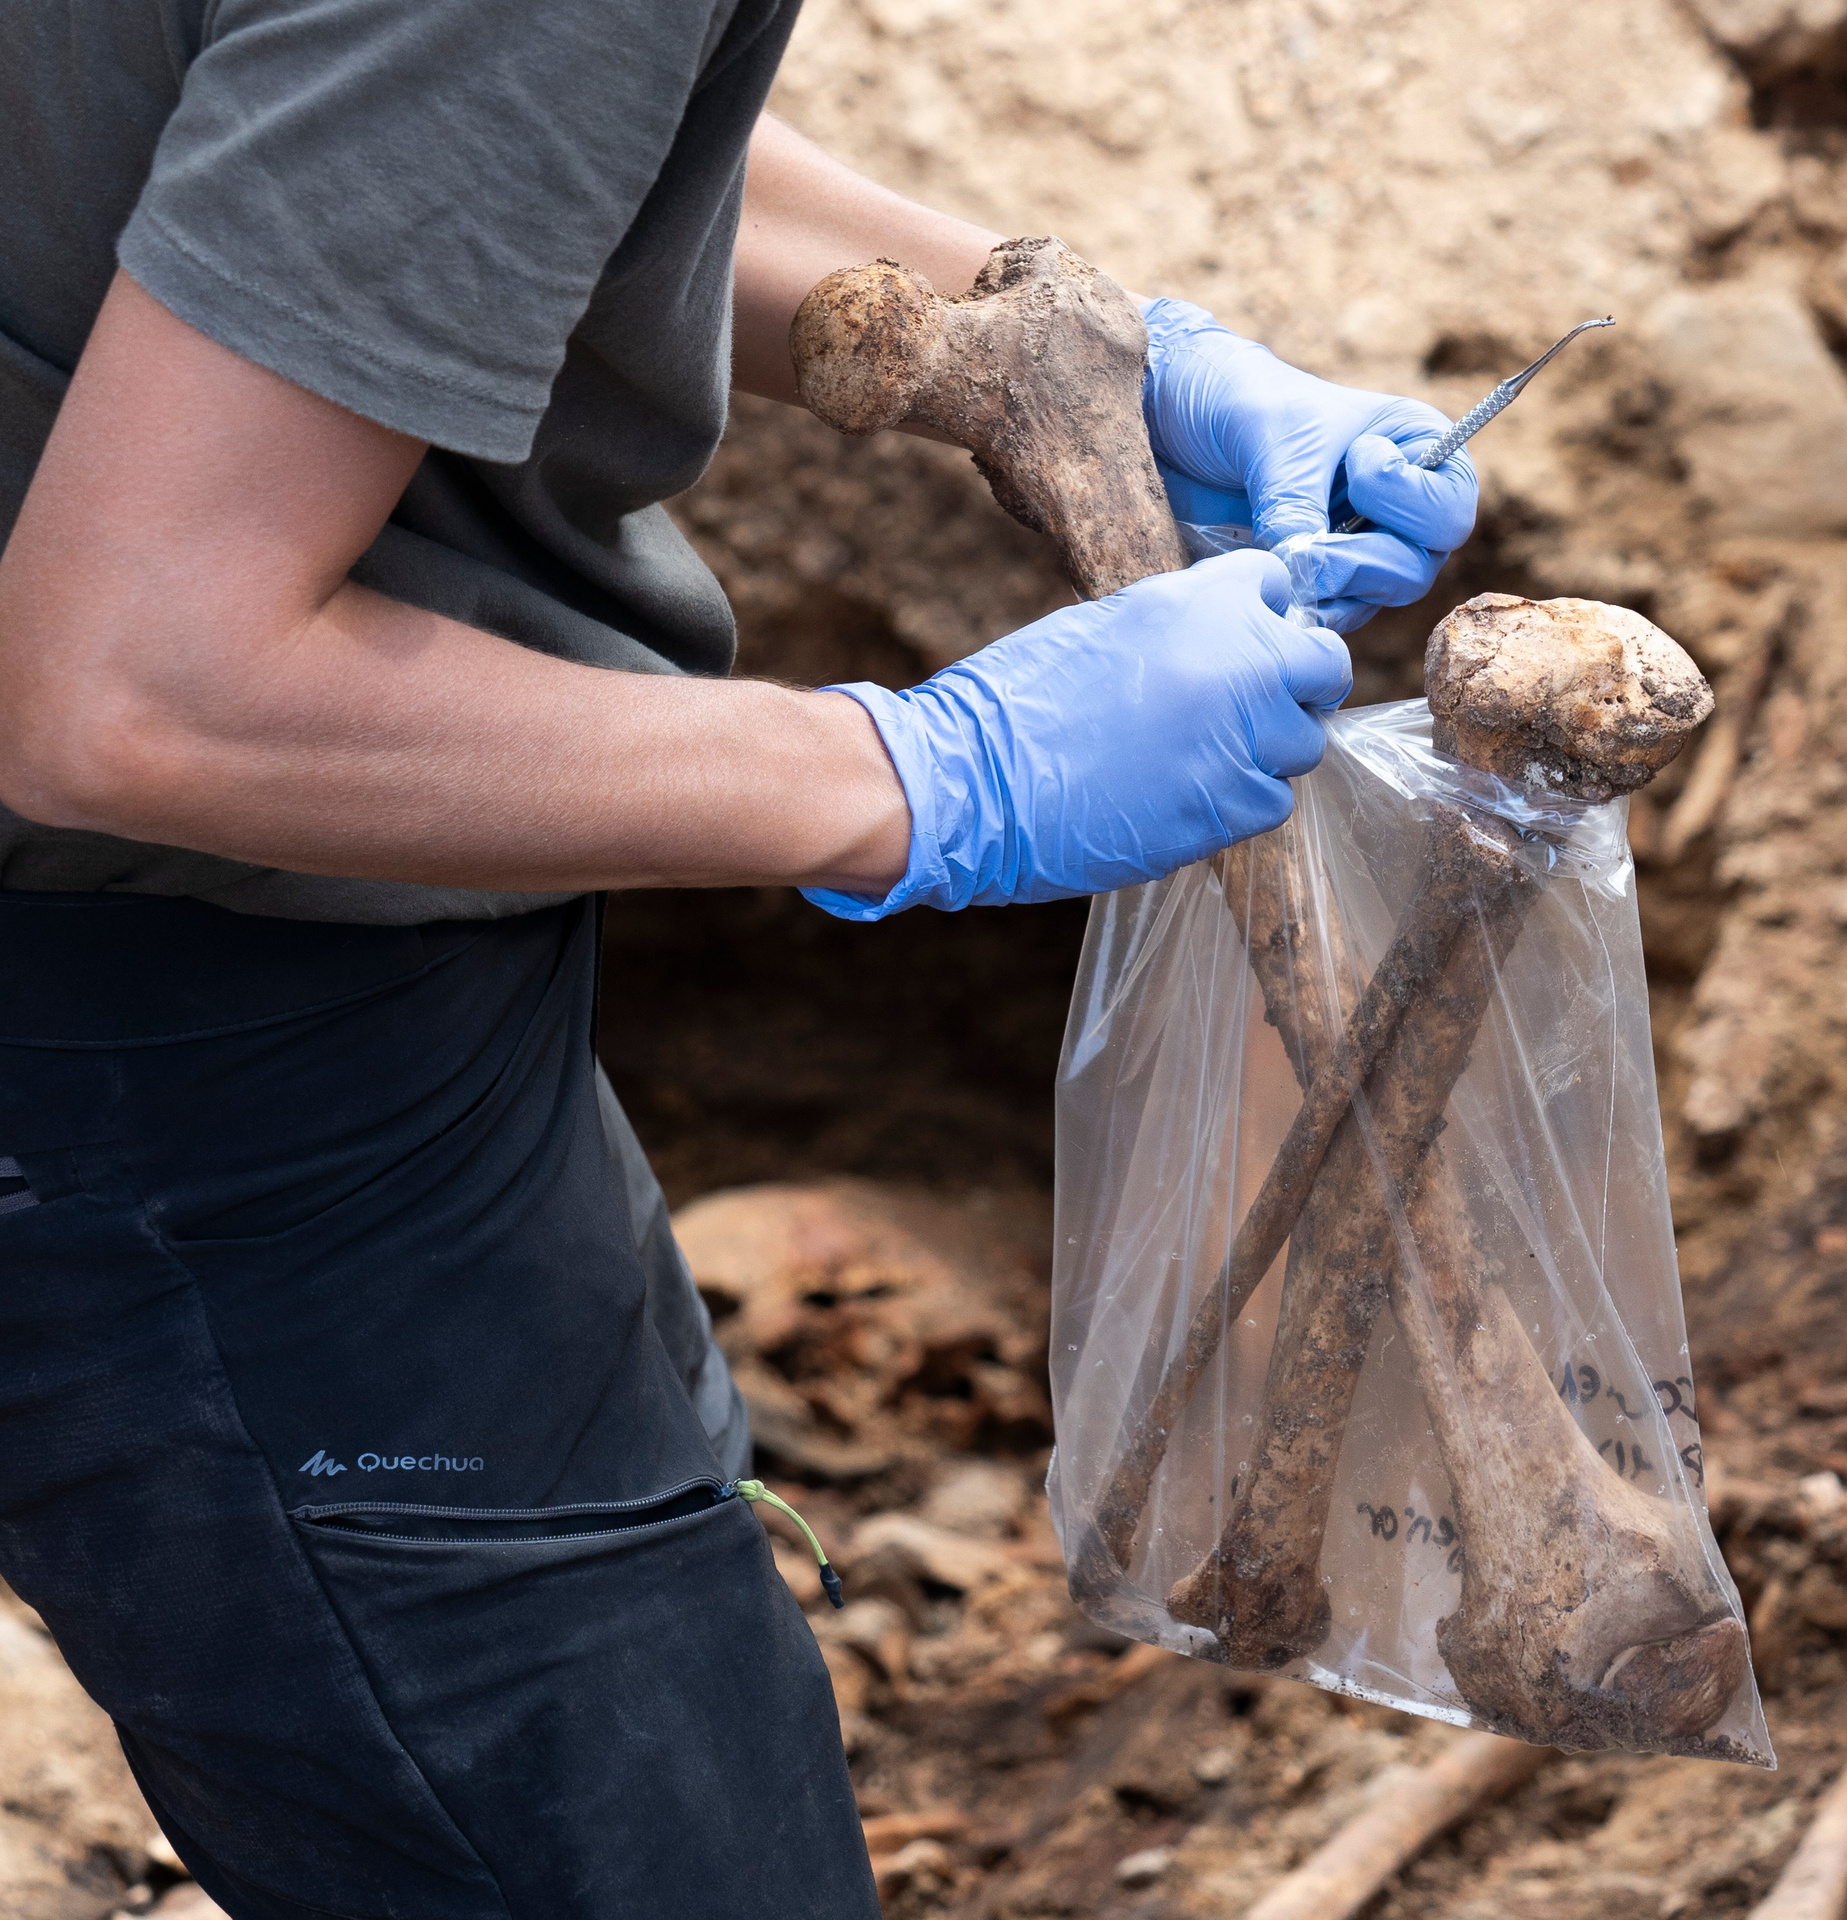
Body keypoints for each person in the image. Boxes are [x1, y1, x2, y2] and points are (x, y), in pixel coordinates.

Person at [0, 3, 1478, 1915]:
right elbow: (141, 691)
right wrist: (924, 774)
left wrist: (1079, 348)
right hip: (172, 1020)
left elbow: (415, 132)